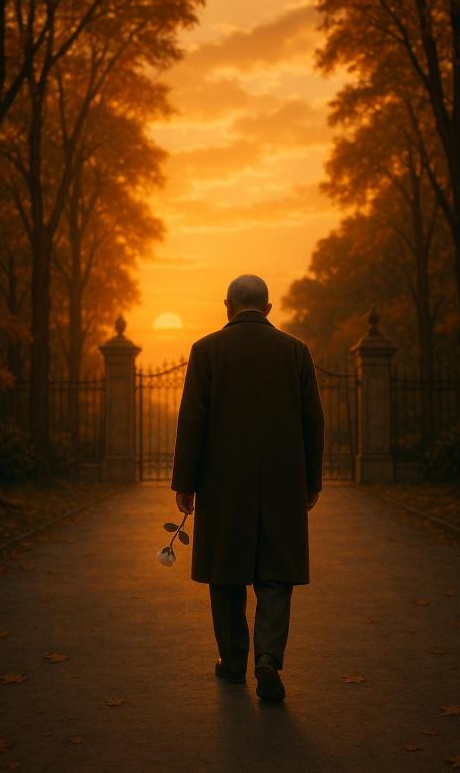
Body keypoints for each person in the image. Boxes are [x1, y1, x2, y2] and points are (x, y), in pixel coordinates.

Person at [170, 274, 324, 701]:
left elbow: (193, 420)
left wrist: (185, 482)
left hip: (222, 485)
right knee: (277, 575)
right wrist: (312, 482)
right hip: (281, 482)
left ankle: (234, 664)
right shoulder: (296, 351)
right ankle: (268, 659)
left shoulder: (206, 351)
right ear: (268, 309)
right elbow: (314, 422)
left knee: (226, 574)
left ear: (227, 306)